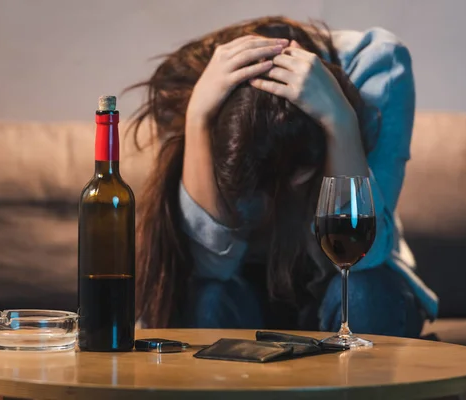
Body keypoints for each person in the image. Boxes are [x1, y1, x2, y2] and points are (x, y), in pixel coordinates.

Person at [128, 16, 438, 337]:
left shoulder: (375, 66)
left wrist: (340, 120)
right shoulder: (190, 86)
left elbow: (359, 257)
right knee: (209, 298)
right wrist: (198, 117)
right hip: (247, 292)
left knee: (362, 292)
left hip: (347, 286)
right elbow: (213, 266)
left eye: (299, 176)